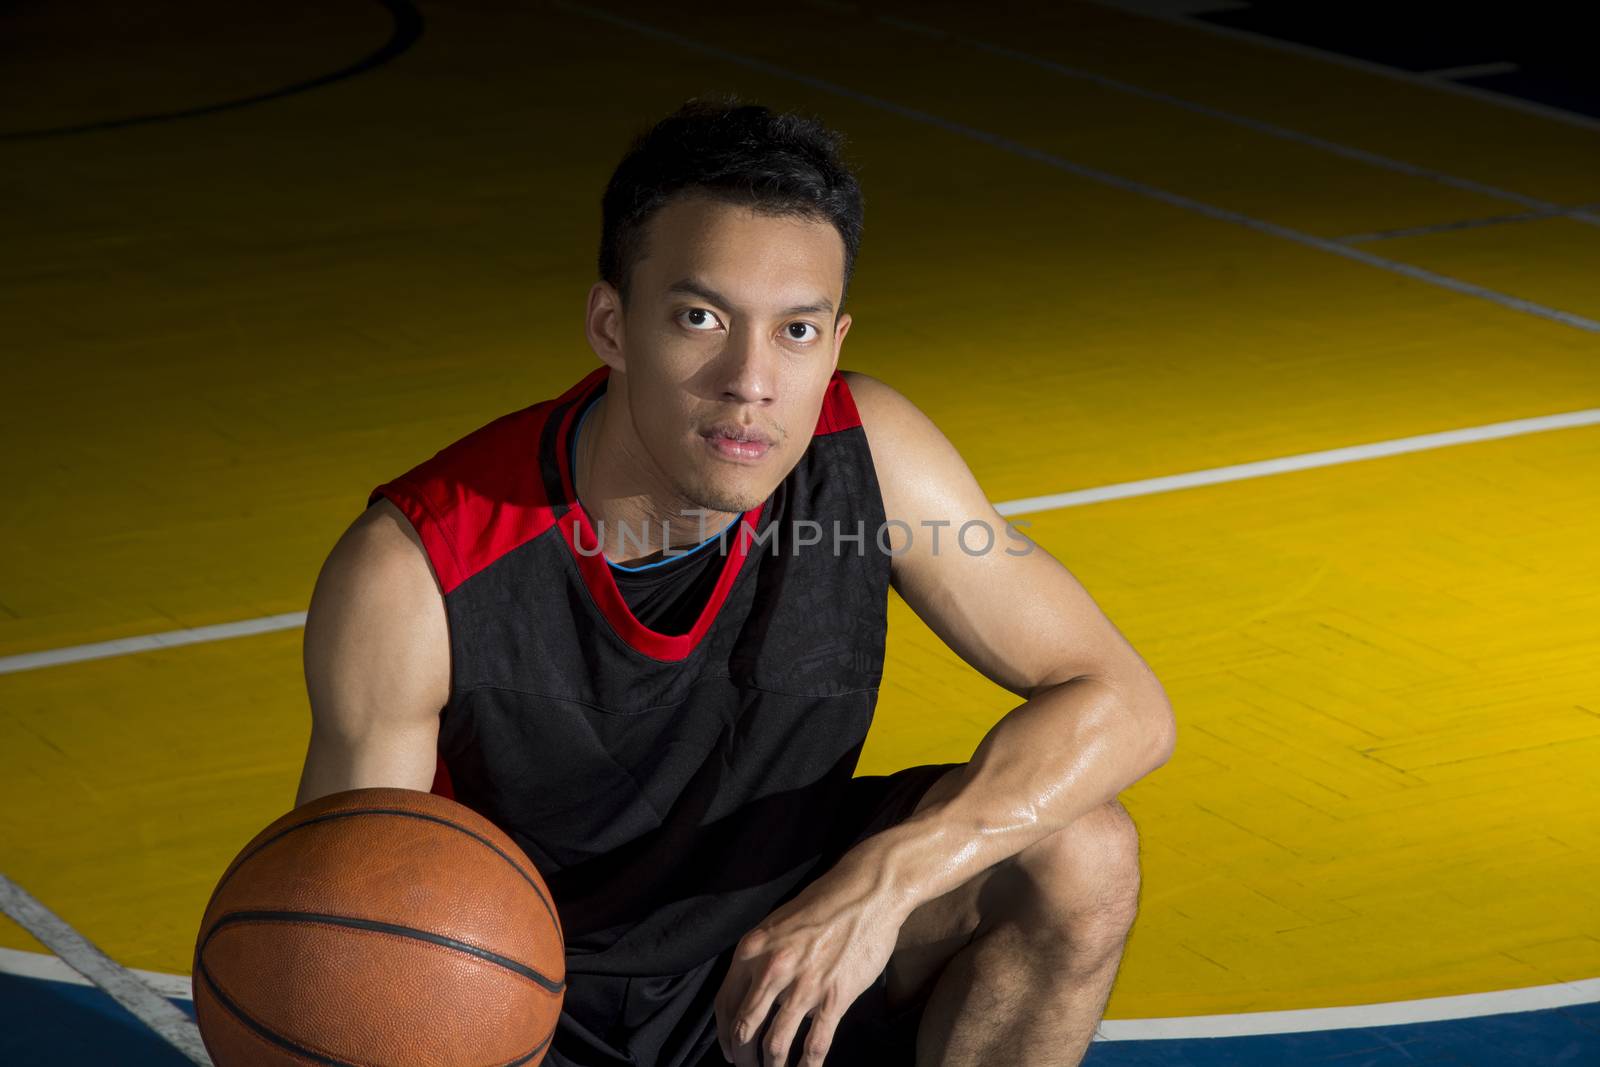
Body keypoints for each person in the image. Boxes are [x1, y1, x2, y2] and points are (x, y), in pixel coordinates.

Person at [295, 96, 1176, 1067]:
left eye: (794, 331)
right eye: (700, 317)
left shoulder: (870, 461)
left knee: (1077, 851)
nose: (750, 379)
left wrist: (887, 878)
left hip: (784, 955)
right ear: (611, 323)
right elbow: (346, 923)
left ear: (836, 342)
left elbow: (1123, 702)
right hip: (521, 994)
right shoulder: (417, 569)